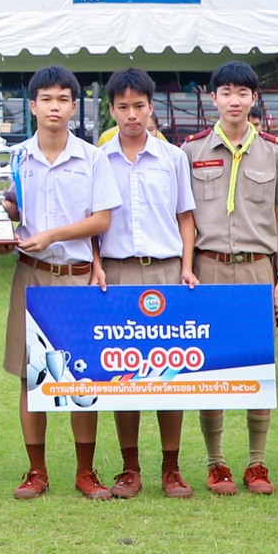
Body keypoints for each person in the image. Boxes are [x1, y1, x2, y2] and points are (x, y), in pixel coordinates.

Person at [3, 66, 120, 500]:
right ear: (32, 105)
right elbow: (7, 207)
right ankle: (36, 471)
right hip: (31, 275)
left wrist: (52, 235)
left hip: (77, 279)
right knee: (28, 375)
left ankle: (85, 471)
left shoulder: (92, 158)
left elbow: (102, 219)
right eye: (46, 99)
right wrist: (1, 216)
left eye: (63, 99)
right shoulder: (14, 158)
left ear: (74, 107)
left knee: (82, 375)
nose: (54, 107)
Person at [183, 61, 278, 493]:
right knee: (209, 364)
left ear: (253, 99)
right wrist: (186, 266)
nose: (234, 100)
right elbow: (184, 215)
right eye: (226, 92)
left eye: (242, 93)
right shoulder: (192, 151)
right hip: (207, 266)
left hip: (256, 267)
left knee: (256, 363)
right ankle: (216, 462)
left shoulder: (273, 151)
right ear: (213, 98)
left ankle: (257, 463)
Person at [95, 68, 199, 497]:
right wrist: (96, 264)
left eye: (139, 106)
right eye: (123, 107)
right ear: (112, 110)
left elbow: (185, 217)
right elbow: (93, 221)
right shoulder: (99, 160)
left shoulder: (173, 157)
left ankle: (171, 468)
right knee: (124, 372)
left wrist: (187, 266)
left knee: (169, 370)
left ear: (151, 107)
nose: (132, 115)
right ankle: (130, 467)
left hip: (165, 270)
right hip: (117, 272)